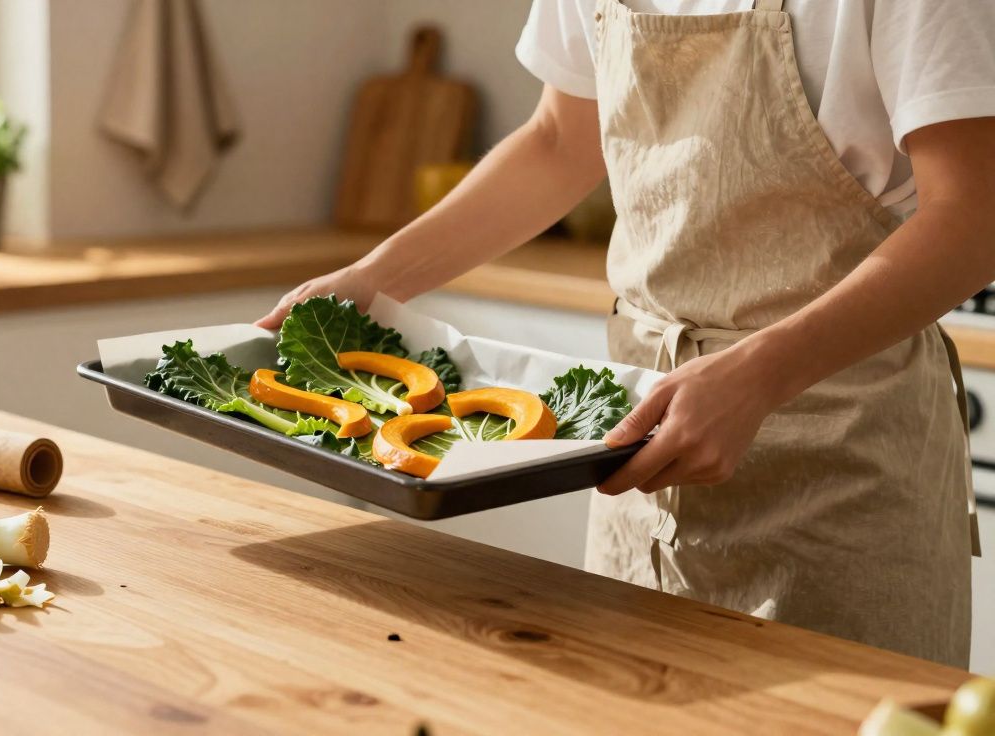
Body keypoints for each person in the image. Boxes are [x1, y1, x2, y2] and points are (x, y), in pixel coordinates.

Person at [257, 0, 995, 668]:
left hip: (847, 462)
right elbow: (559, 139)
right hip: (639, 450)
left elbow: (973, 217)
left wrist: (756, 375)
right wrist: (374, 279)